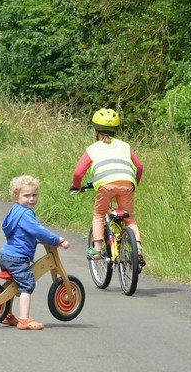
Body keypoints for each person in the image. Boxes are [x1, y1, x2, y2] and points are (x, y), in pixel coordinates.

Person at [70, 108, 144, 265]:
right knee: (129, 218)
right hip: (127, 183)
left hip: (105, 186)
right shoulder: (125, 146)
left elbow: (78, 173)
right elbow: (140, 166)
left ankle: (96, 250)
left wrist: (76, 186)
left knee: (99, 213)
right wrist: (134, 183)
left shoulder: (93, 148)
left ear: (96, 130)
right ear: (116, 130)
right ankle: (138, 249)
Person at [0, 175, 70, 330]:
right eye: (26, 195)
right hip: (17, 257)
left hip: (6, 254)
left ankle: (7, 315)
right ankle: (24, 319)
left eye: (34, 195)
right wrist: (57, 240)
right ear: (16, 196)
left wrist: (32, 240)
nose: (31, 199)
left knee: (12, 284)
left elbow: (20, 232)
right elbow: (38, 230)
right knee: (26, 284)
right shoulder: (26, 214)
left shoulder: (15, 211)